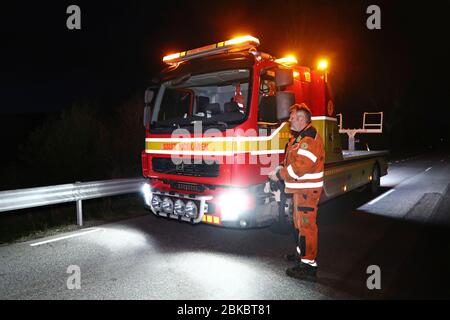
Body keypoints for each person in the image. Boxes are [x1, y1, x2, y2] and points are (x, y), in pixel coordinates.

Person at [269, 103, 325, 281]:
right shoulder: (300, 138)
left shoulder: (308, 140)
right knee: (299, 226)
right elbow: (293, 162)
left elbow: (299, 168)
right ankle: (303, 257)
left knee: (306, 228)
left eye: (292, 118)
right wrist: (281, 168)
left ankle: (308, 267)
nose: (289, 121)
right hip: (300, 191)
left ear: (301, 119)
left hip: (307, 192)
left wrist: (280, 174)